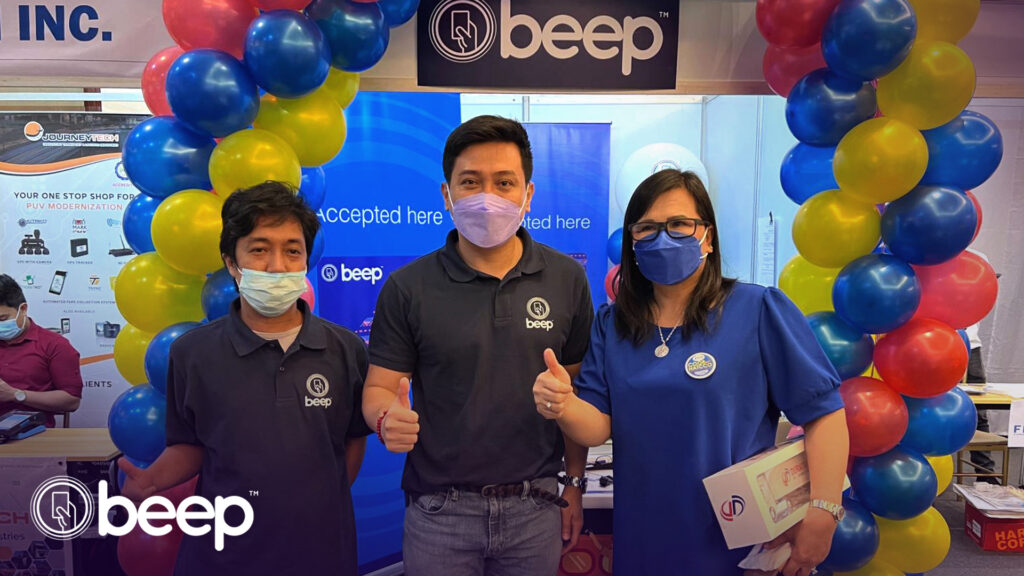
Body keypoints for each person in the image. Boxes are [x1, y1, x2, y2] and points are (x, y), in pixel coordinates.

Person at [533, 170, 850, 576]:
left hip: (742, 542)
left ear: (708, 237)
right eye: (647, 228)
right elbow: (596, 427)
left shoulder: (756, 310)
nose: (662, 238)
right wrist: (563, 404)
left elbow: (824, 412)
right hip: (645, 535)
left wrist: (824, 510)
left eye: (679, 224)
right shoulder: (613, 325)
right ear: (632, 242)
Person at [362, 115, 593, 576]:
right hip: (439, 512)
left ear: (528, 194)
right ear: (446, 194)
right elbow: (379, 389)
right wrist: (386, 419)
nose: (488, 197)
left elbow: (576, 394)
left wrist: (574, 483)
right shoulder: (408, 287)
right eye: (470, 182)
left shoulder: (567, 278)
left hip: (536, 506)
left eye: (504, 182)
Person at [119, 182, 371, 575]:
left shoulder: (345, 350)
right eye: (259, 249)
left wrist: (313, 502)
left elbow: (352, 441)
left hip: (320, 550)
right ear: (231, 263)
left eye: (292, 251)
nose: (277, 265)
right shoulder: (192, 353)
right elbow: (190, 445)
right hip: (223, 552)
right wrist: (153, 480)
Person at [0, 274, 82, 427]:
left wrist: (15, 395)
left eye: (2, 319)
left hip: (32, 433)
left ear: (23, 309)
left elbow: (71, 401)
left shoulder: (54, 345)